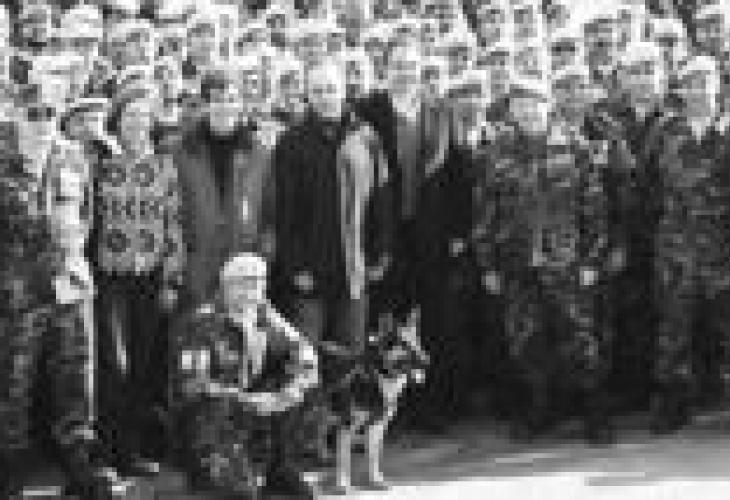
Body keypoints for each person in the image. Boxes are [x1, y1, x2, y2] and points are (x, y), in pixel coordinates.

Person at [91, 81, 185, 475]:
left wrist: (171, 279)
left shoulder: (164, 165)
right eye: (130, 114)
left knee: (143, 366)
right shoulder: (99, 162)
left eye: (144, 116)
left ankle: (130, 453)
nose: (137, 122)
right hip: (110, 276)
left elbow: (174, 224)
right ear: (118, 119)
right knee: (115, 364)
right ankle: (104, 453)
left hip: (150, 277)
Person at [170, 252, 319, 498]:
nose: (251, 291)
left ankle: (279, 466)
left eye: (258, 282)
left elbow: (304, 353)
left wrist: (290, 391)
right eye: (244, 282)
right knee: (242, 493)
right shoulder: (201, 323)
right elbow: (193, 385)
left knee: (303, 388)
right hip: (210, 418)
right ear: (225, 286)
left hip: (249, 412)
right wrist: (249, 401)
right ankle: (208, 470)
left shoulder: (264, 314)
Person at [651, 55, 730, 432]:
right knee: (674, 329)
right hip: (676, 248)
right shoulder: (665, 132)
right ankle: (674, 402)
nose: (699, 91)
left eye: (705, 83)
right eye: (691, 84)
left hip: (722, 248)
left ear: (718, 85)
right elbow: (645, 187)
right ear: (682, 90)